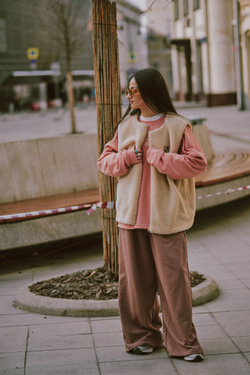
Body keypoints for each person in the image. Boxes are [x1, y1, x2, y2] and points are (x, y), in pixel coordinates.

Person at [97, 68, 207, 362]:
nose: (128, 95)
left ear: (149, 92)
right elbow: (105, 161)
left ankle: (183, 343)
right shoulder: (127, 126)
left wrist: (158, 157)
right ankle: (142, 338)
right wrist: (125, 158)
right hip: (131, 219)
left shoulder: (177, 125)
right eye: (128, 91)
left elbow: (197, 163)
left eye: (132, 90)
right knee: (134, 285)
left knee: (174, 285)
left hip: (167, 218)